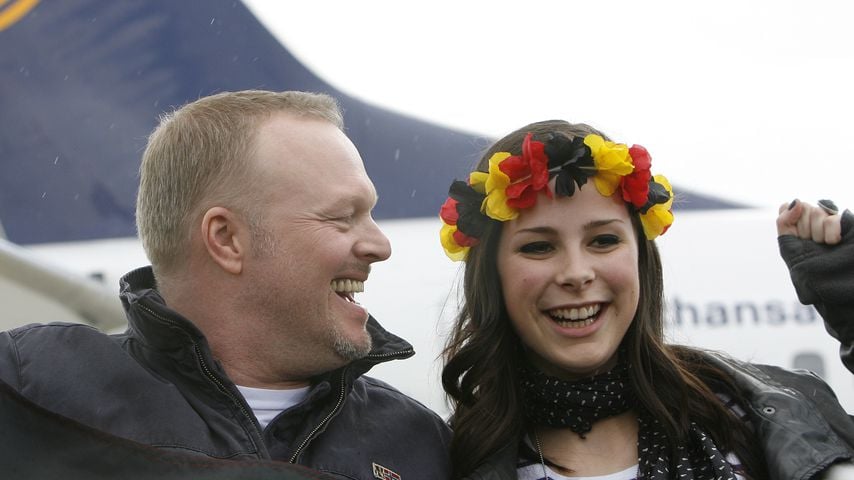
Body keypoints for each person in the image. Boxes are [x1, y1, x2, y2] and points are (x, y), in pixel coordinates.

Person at [0, 90, 451, 479]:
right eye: (341, 217)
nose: (380, 245)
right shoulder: (28, 388)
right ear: (226, 239)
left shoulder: (425, 446)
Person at [438, 119, 854, 479]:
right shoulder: (440, 459)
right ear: (491, 276)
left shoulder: (761, 416)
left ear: (641, 259)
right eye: (539, 247)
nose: (577, 273)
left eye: (603, 240)